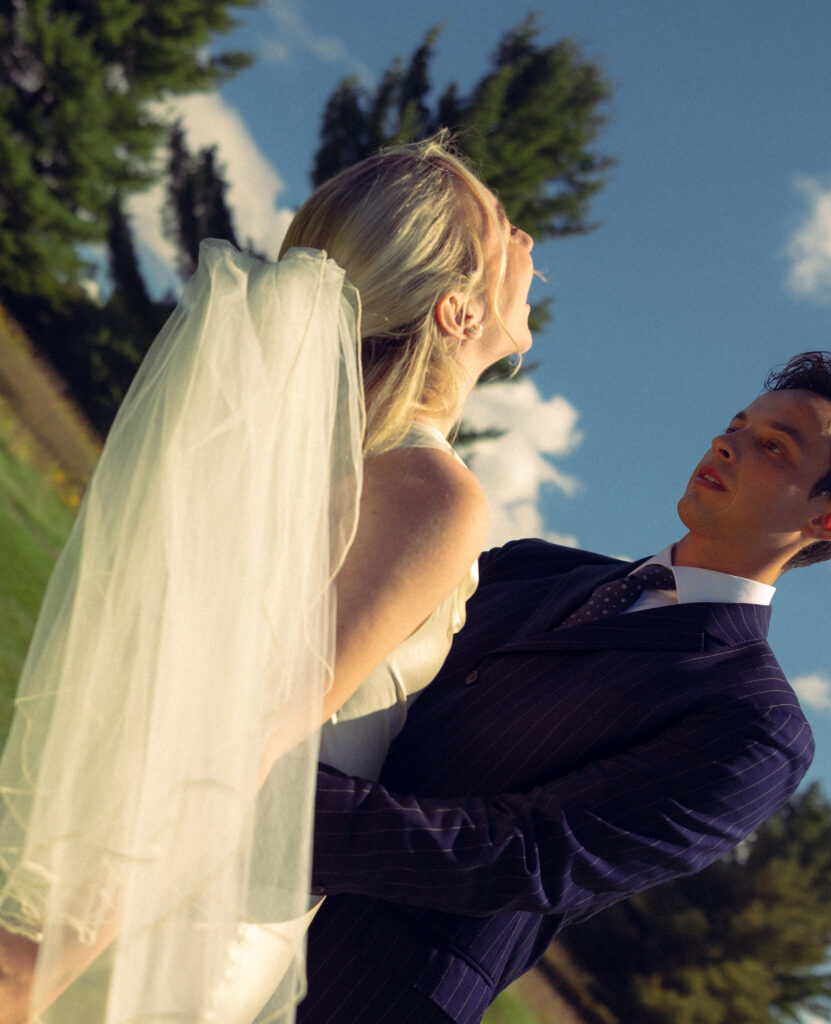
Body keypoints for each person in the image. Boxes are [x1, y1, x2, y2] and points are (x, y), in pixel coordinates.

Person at [0, 134, 535, 1023]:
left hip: (158, 877)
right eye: (506, 230)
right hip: (205, 907)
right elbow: (245, 736)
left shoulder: (295, 467)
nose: (528, 251)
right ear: (455, 313)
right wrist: (46, 957)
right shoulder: (429, 493)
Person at [298, 351, 831, 1023]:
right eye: (735, 424)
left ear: (830, 520)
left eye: (771, 447)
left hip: (355, 992)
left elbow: (525, 856)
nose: (725, 444)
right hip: (208, 882)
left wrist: (279, 806)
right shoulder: (528, 565)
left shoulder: (756, 724)